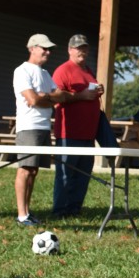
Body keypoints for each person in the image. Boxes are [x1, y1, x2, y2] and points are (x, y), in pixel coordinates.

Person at [12, 34, 77, 226]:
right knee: (24, 170)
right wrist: (46, 98)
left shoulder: (46, 74)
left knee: (33, 171)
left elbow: (61, 97)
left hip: (43, 127)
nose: (48, 52)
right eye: (44, 49)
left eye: (49, 49)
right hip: (28, 128)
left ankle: (27, 211)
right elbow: (32, 100)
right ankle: (21, 215)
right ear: (32, 48)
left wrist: (44, 96)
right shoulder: (22, 71)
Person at [51, 34, 105, 218]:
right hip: (69, 132)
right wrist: (82, 96)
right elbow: (56, 97)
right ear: (69, 50)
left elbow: (88, 92)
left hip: (88, 133)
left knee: (83, 175)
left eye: (84, 47)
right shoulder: (63, 70)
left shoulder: (88, 70)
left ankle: (75, 209)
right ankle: (60, 210)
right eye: (77, 47)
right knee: (66, 174)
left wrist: (98, 90)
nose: (81, 51)